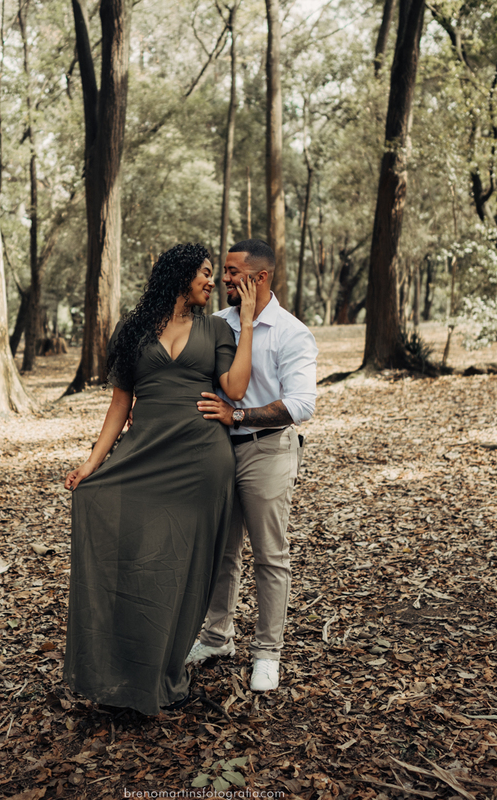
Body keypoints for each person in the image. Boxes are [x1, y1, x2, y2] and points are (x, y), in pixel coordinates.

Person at [63, 243, 256, 715]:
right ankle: (121, 669)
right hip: (144, 454)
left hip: (201, 461)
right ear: (179, 275)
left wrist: (247, 321)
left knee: (180, 568)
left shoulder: (216, 328)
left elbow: (234, 389)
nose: (212, 282)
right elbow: (119, 405)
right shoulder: (134, 331)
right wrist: (92, 465)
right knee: (135, 558)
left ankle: (166, 668)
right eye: (205, 274)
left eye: (214, 275)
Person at [188, 239, 318, 692]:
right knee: (223, 551)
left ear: (260, 277)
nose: (222, 279)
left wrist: (238, 415)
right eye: (221, 271)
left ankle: (267, 652)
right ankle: (216, 637)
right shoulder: (216, 324)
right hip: (219, 451)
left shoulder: (290, 332)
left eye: (231, 271)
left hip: (267, 450)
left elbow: (301, 404)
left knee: (270, 554)